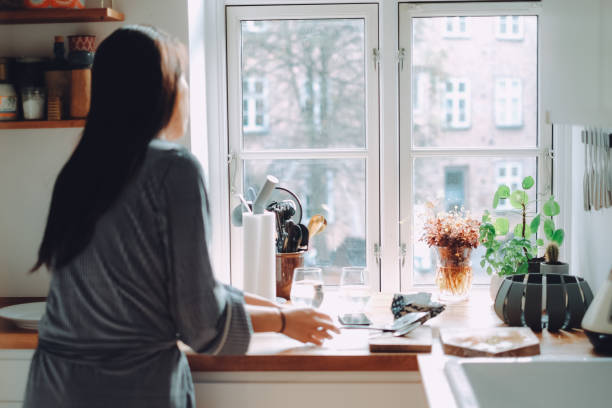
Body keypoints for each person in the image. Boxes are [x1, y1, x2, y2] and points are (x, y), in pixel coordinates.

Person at [23, 25, 339, 408]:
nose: (187, 88)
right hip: (128, 391)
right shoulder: (175, 169)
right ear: (159, 92)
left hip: (52, 388)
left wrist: (281, 308)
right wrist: (287, 324)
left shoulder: (79, 170)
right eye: (181, 76)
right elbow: (201, 322)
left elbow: (178, 291)